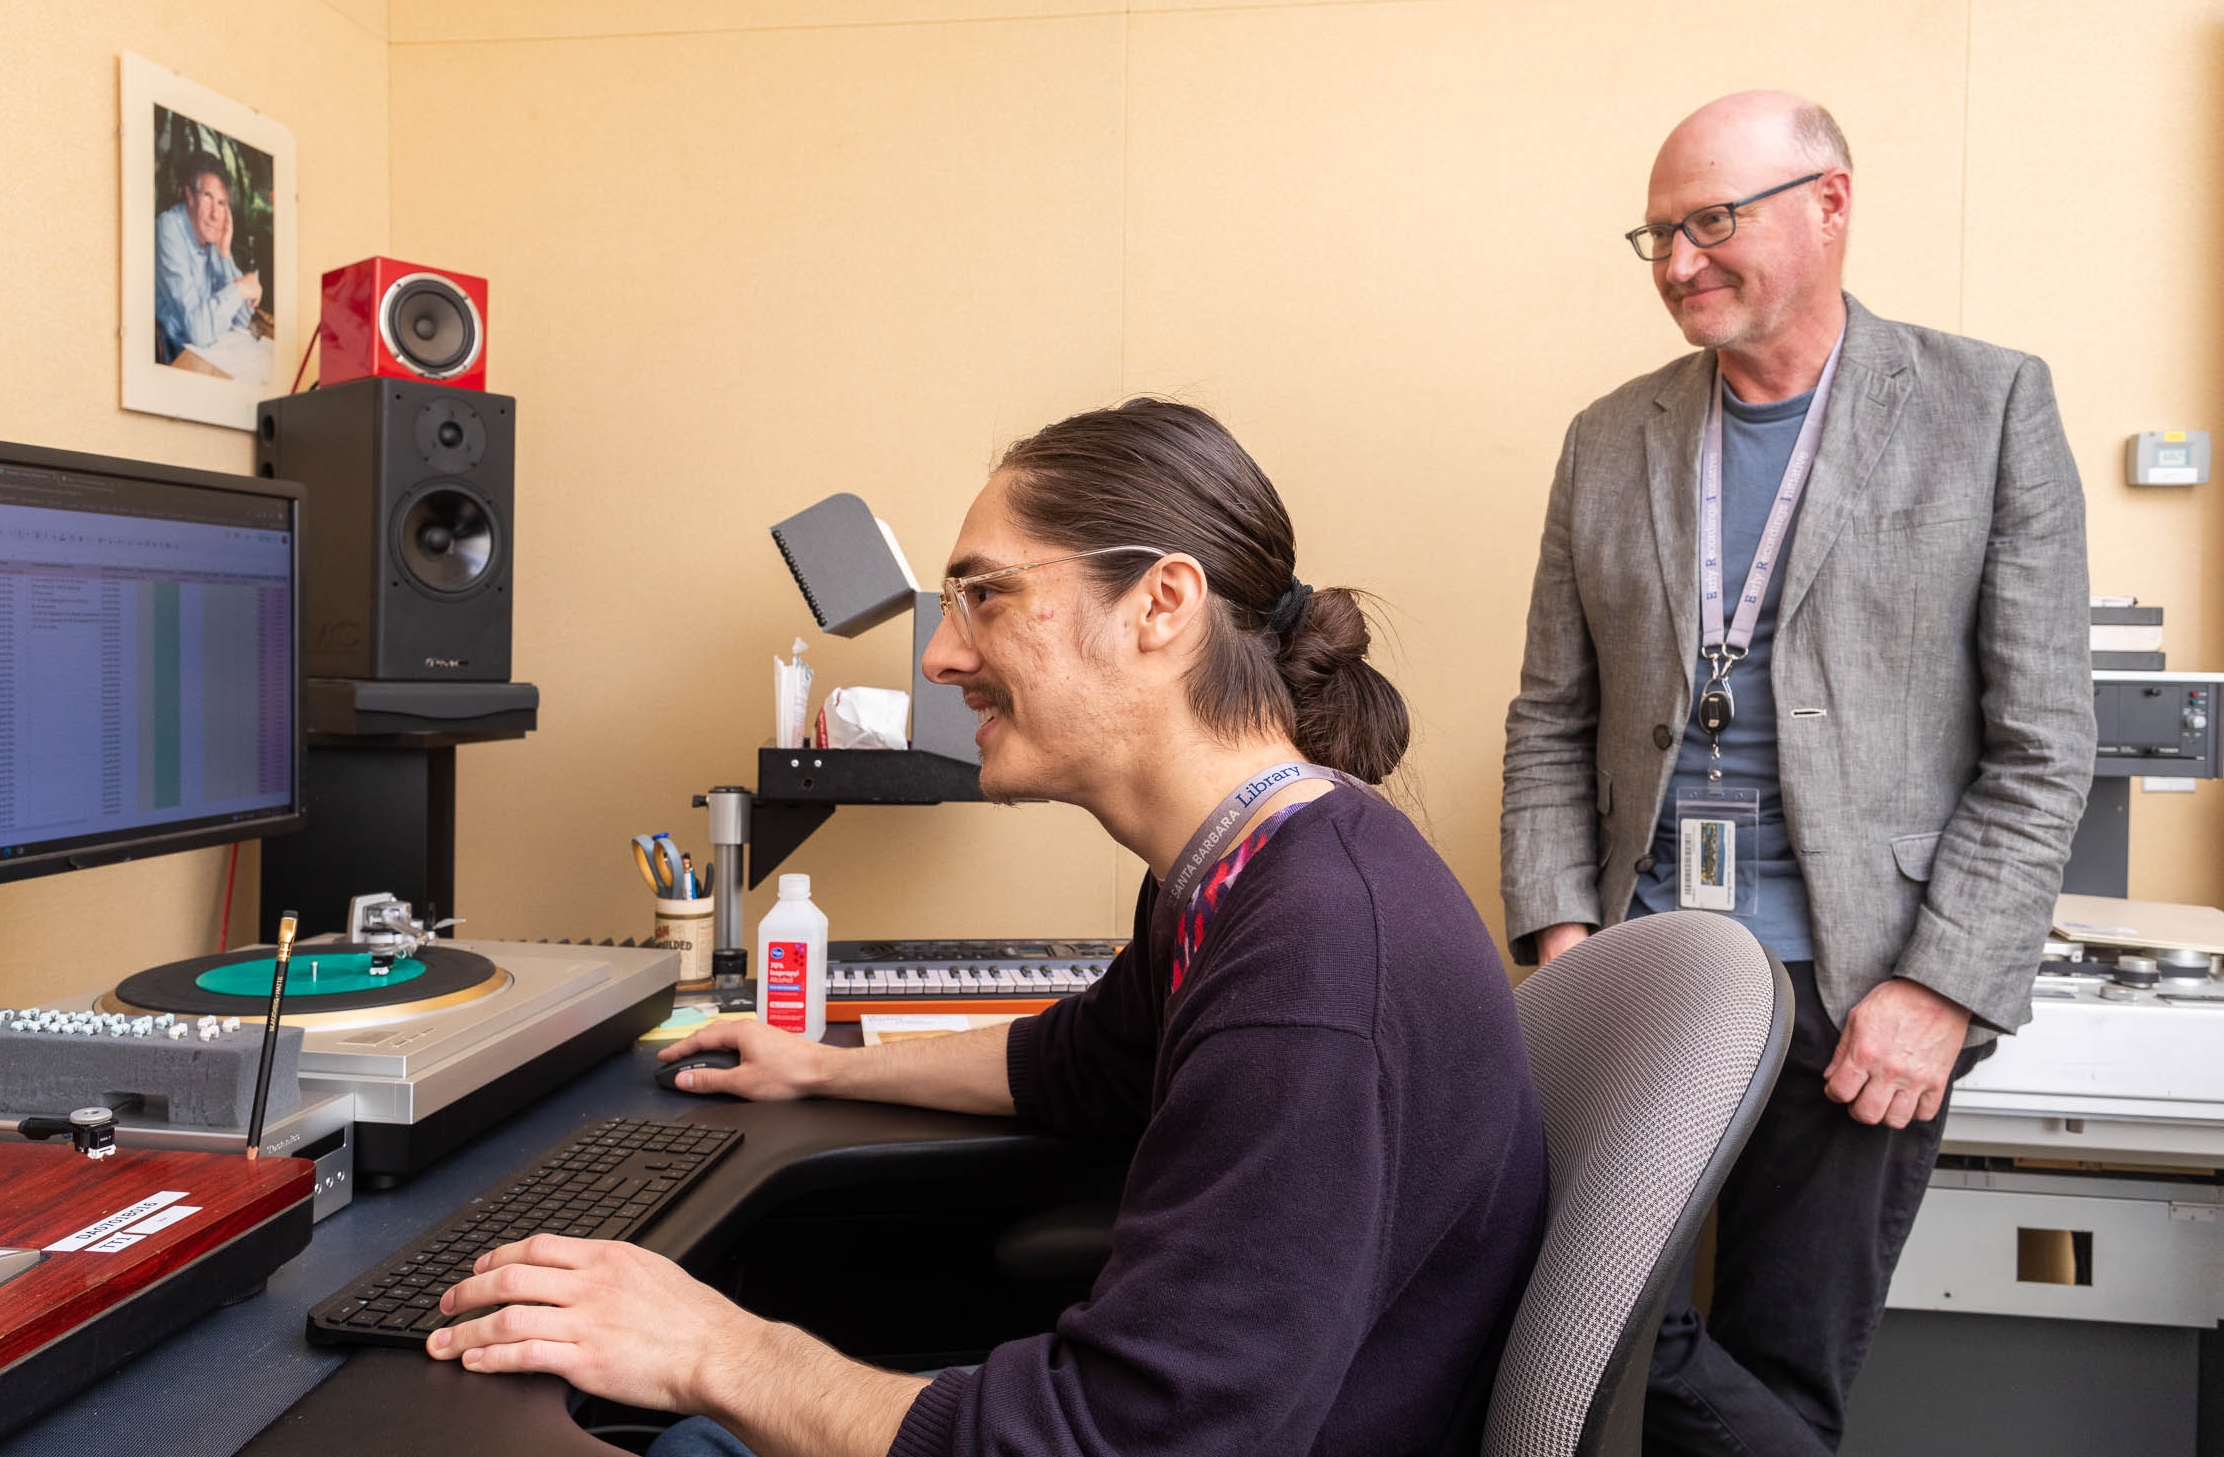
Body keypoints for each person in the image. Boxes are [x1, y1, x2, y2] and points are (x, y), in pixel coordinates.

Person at [428, 399, 1550, 1456]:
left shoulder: (1315, 957)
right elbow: (1086, 1062)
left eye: (987, 596)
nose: (941, 655)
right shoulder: (1247, 865)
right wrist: (826, 1065)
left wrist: (716, 1352)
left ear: (1163, 605)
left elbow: (1124, 1441)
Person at [1500, 91, 2093, 1453]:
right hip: (1645, 971)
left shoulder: (1989, 405)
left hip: (1866, 989)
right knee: (1564, 1326)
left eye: (1713, 220)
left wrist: (1939, 989)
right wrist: (1566, 942)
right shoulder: (1610, 436)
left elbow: (2041, 743)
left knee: (1785, 1363)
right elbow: (1550, 715)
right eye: (1657, 233)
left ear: (1830, 202)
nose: (1678, 260)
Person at [153, 151, 261, 359]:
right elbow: (199, 332)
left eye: (221, 203)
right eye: (208, 197)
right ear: (190, 196)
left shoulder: (212, 240)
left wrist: (224, 254)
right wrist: (240, 288)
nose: (215, 213)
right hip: (176, 363)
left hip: (211, 357)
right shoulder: (169, 229)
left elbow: (241, 321)